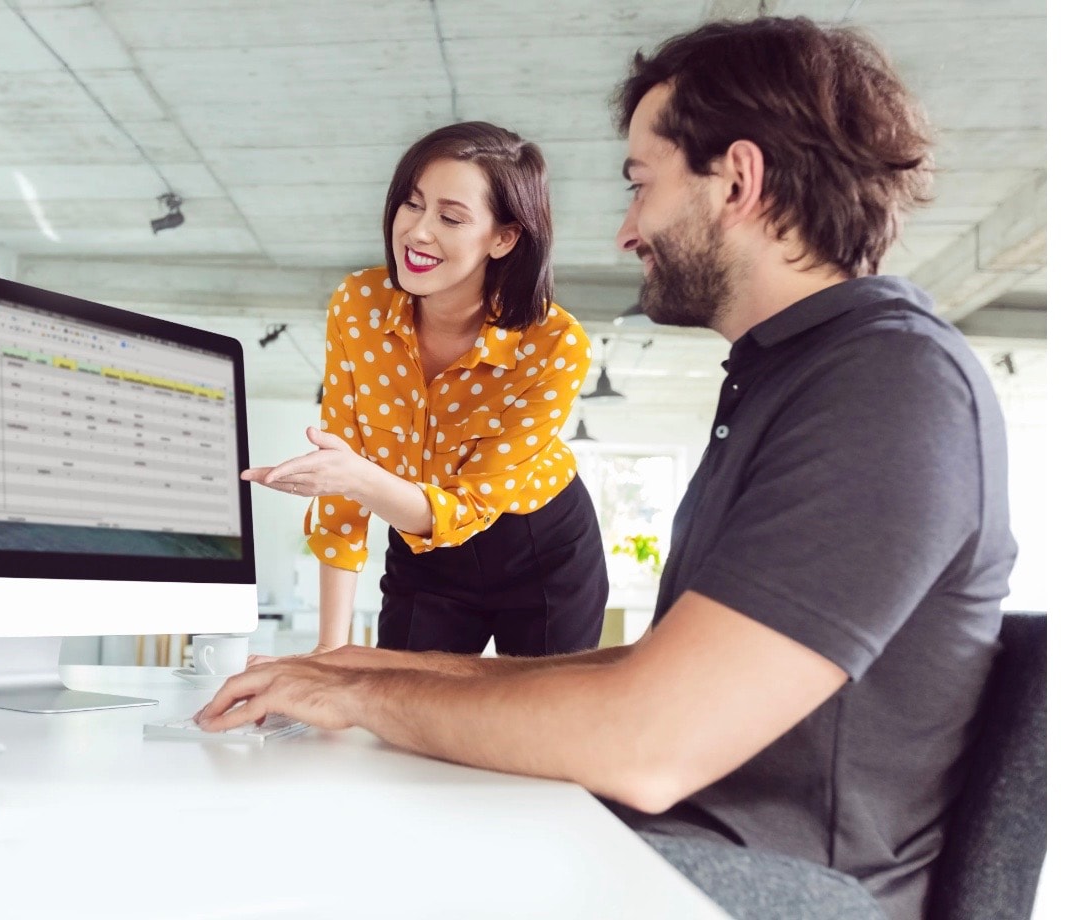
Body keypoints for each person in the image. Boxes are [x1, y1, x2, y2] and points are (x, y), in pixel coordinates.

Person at [202, 17, 1015, 920]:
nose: (629, 231)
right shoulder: (793, 378)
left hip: (762, 892)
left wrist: (368, 690)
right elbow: (645, 677)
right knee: (348, 807)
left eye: (642, 186)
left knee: (307, 870)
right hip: (673, 850)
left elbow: (646, 739)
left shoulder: (889, 384)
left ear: (738, 180)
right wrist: (357, 673)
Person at [243, 121, 609, 658]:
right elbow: (343, 473)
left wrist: (358, 477)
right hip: (420, 548)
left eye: (451, 217)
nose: (417, 231)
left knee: (533, 727)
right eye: (411, 204)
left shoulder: (555, 345)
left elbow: (466, 505)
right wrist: (329, 650)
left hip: (538, 550)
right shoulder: (359, 304)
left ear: (504, 237)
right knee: (400, 712)